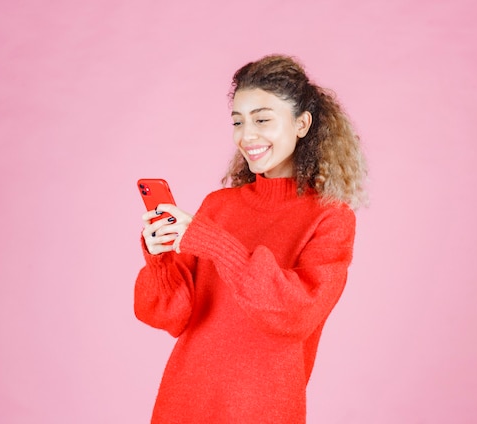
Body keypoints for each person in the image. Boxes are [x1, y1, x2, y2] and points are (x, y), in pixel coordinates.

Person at [135, 54, 368, 423]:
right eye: (238, 122)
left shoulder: (330, 217)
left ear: (302, 123)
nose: (247, 136)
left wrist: (212, 242)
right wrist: (160, 258)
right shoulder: (218, 205)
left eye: (262, 119)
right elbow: (171, 316)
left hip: (262, 410)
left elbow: (295, 314)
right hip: (185, 402)